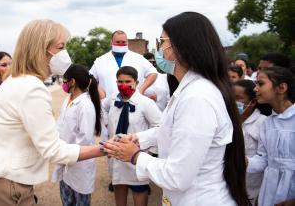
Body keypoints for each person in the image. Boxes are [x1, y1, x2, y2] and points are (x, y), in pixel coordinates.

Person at [102, 12, 250, 206]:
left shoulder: (198, 97)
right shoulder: (190, 89)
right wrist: (138, 139)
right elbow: (171, 130)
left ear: (179, 47)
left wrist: (135, 156)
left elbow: (177, 176)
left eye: (162, 41)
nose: (159, 49)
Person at [0, 19, 105, 206]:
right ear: (41, 49)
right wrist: (106, 149)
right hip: (7, 184)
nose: (65, 54)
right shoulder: (32, 88)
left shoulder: (15, 80)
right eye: (61, 47)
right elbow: (53, 150)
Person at [102, 66, 161, 206]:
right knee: (119, 186)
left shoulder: (146, 103)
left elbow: (160, 127)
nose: (124, 85)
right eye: (120, 82)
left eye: (128, 81)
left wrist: (147, 147)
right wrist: (105, 124)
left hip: (136, 157)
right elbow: (102, 109)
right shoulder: (112, 100)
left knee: (139, 190)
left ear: (137, 82)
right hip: (116, 155)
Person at [51, 64, 101, 206]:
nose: (63, 84)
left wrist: (68, 153)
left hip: (79, 162)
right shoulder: (68, 100)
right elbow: (60, 124)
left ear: (72, 82)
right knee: (67, 201)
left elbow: (85, 138)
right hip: (65, 158)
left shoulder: (85, 105)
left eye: (64, 80)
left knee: (80, 201)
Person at [247, 66, 295, 206]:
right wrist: (243, 161)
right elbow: (264, 160)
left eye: (260, 84)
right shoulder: (267, 123)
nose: (255, 89)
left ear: (281, 88)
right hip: (270, 192)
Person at [89, 30, 158, 98]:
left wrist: (141, 89)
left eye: (123, 42)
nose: (120, 44)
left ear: (127, 42)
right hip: (108, 104)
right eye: (118, 42)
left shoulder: (138, 58)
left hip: (134, 102)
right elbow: (89, 78)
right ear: (111, 42)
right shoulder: (100, 61)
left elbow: (153, 73)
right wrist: (100, 92)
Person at [233, 80, 267, 205]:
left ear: (252, 102)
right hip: (229, 183)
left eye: (238, 98)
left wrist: (245, 161)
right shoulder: (228, 120)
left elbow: (264, 158)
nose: (233, 102)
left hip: (251, 187)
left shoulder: (262, 123)